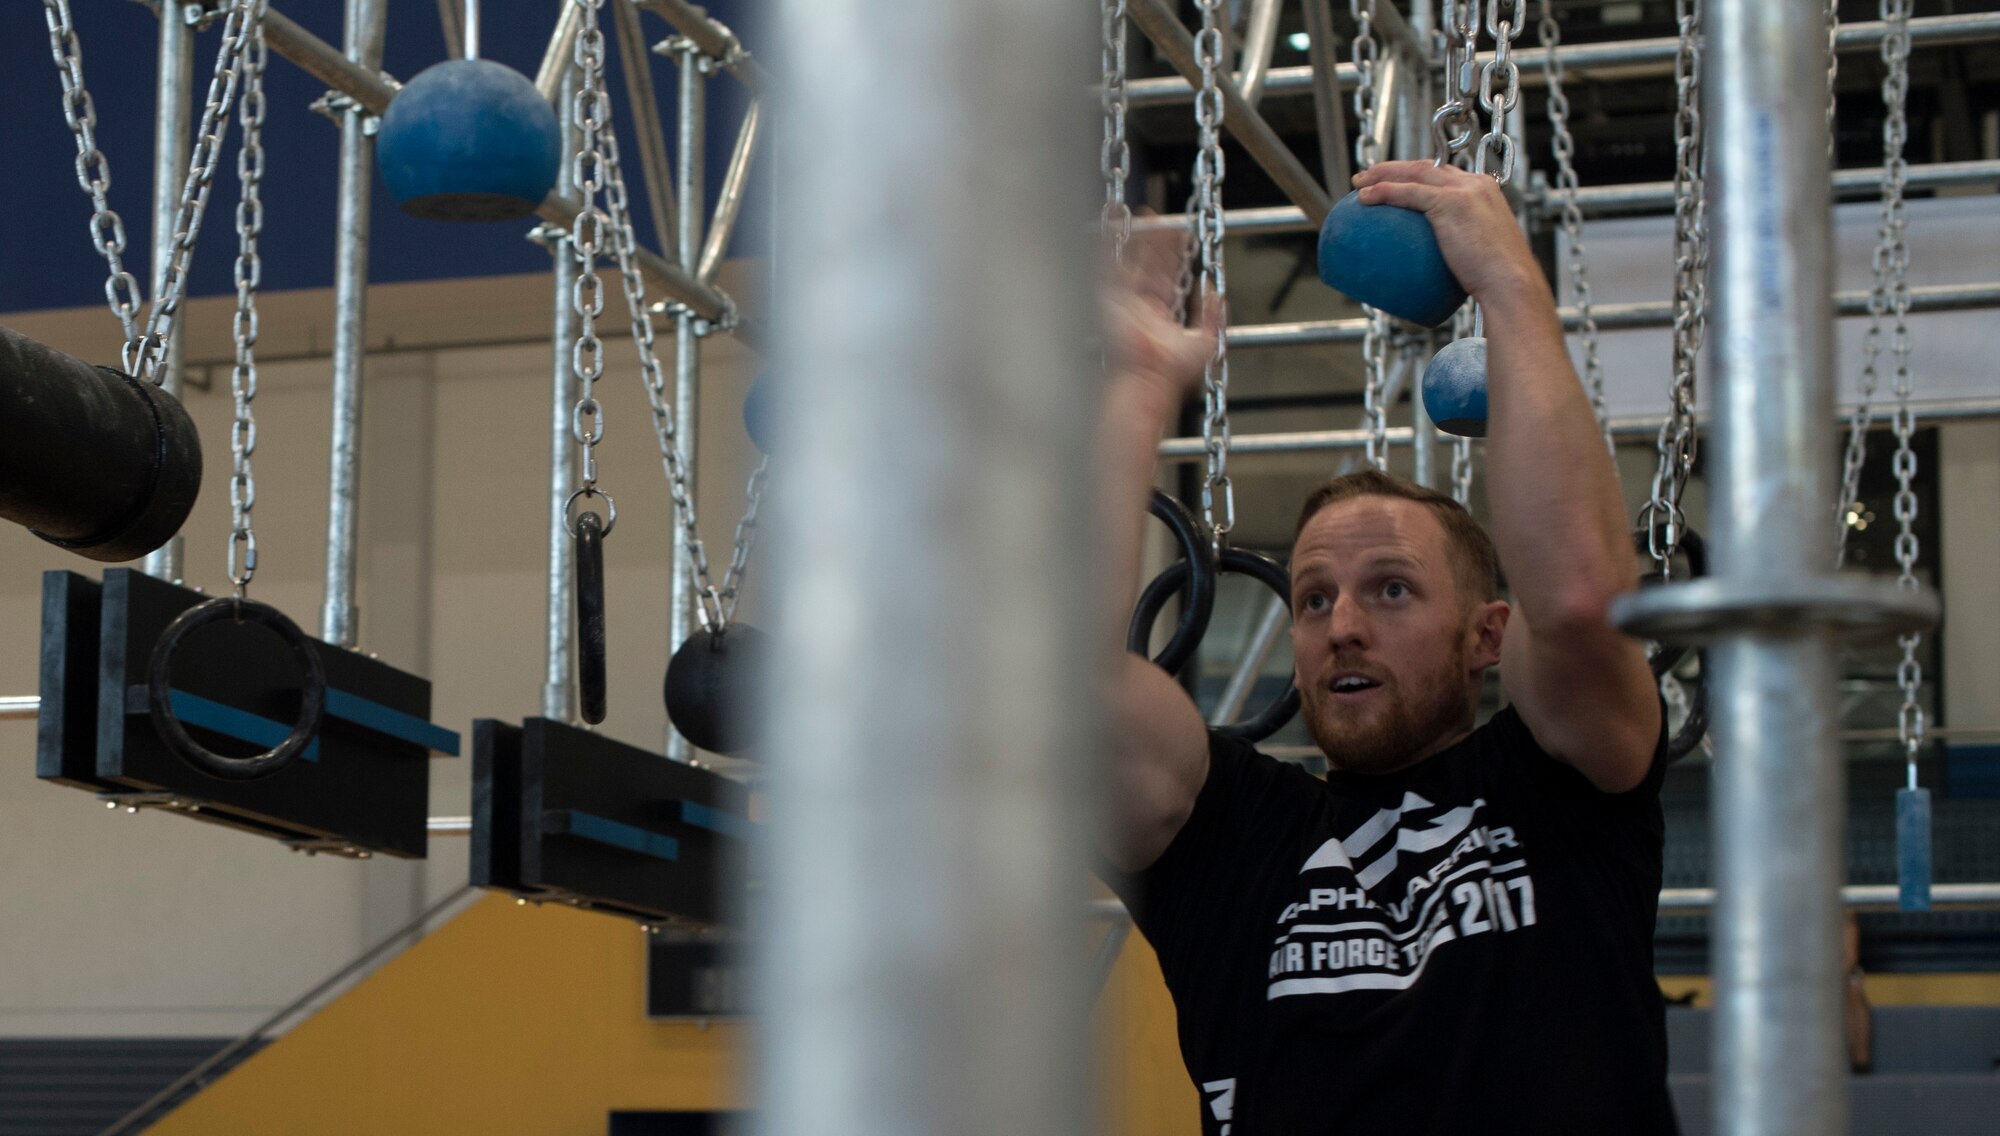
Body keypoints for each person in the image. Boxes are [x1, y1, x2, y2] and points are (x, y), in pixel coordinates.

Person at [1098, 161, 1674, 1135]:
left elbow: (1575, 599)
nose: (1343, 624)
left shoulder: (1561, 790)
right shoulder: (1231, 837)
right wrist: (1142, 381)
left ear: (1485, 633)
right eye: (1315, 598)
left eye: (1391, 589)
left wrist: (1506, 285)